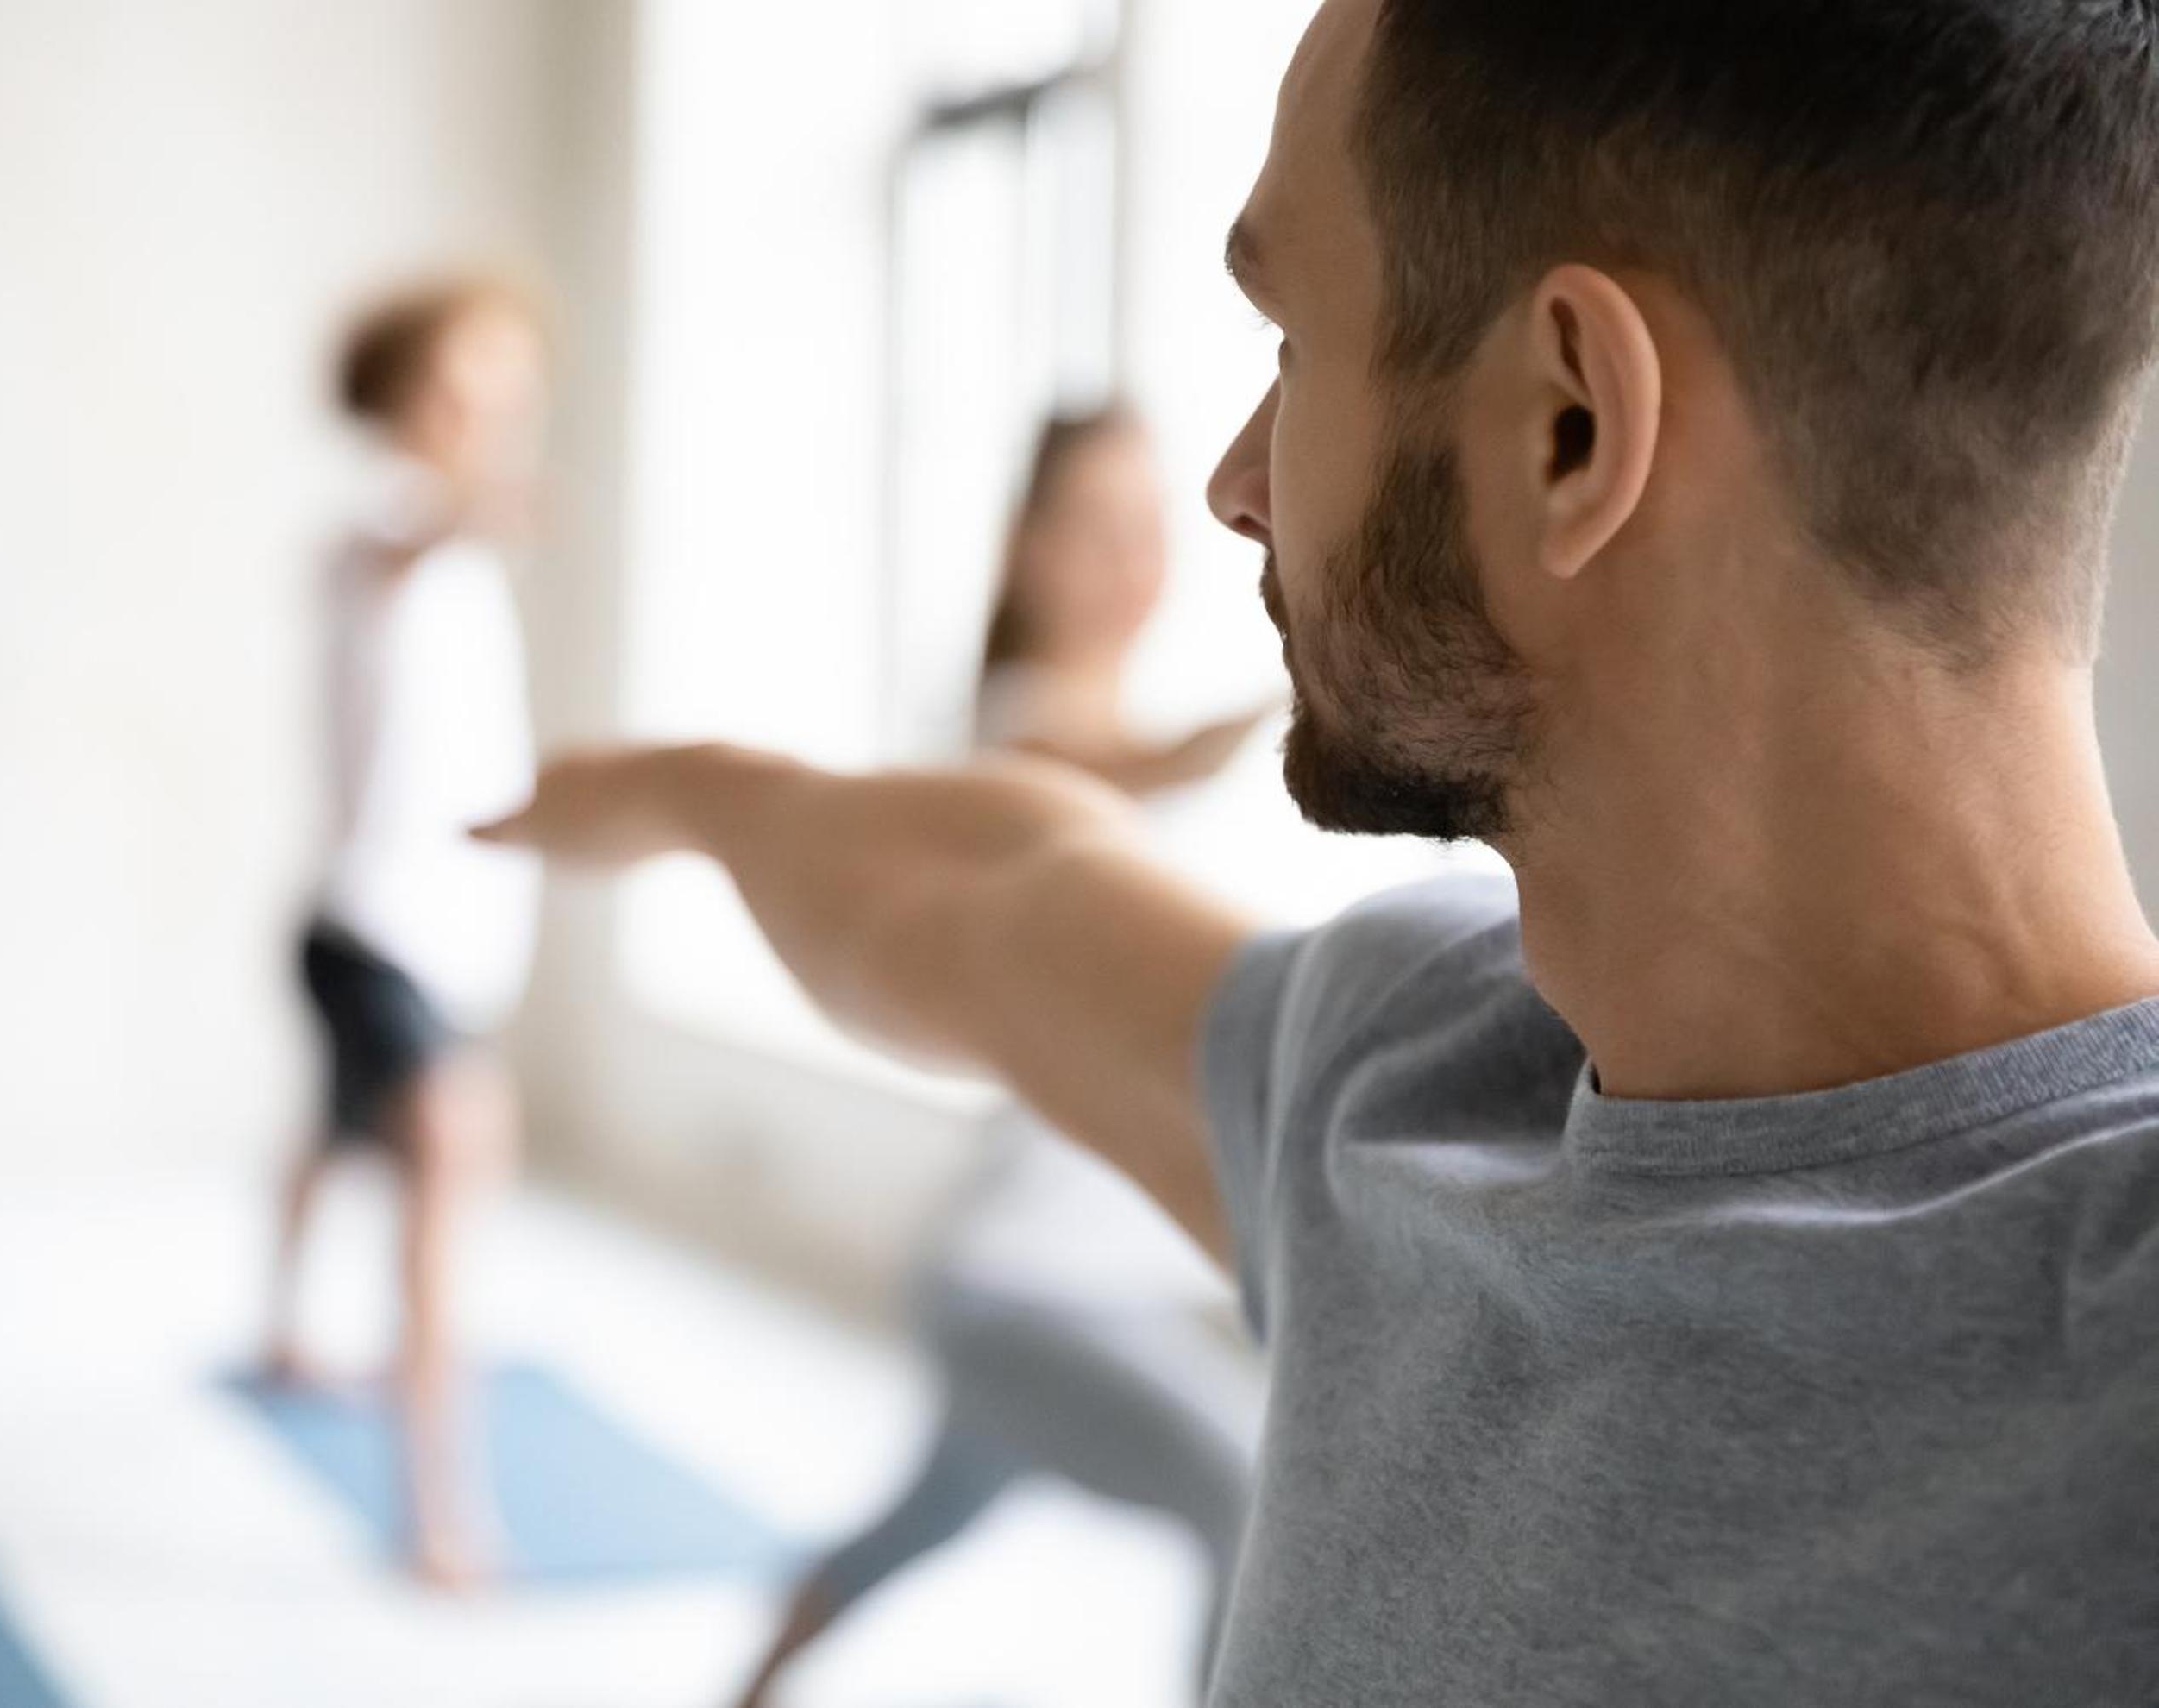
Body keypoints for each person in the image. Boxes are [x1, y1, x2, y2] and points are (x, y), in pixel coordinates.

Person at [486, 3, 2159, 1701]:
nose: (1237, 484)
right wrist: (696, 798)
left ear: (1570, 426)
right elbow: (973, 891)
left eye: (1288, 341)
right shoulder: (1403, 1079)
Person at [731, 407, 1260, 1708]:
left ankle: (745, 1687)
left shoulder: (1098, 726)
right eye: (1096, 528)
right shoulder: (1021, 729)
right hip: (1027, 1285)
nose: (1133, 561)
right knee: (1248, 1501)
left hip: (1079, 1275)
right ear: (1026, 547)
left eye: (1147, 526)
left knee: (925, 1519)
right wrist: (1350, 648)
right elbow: (1141, 762)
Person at [262, 275, 546, 1592]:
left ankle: (279, 1320)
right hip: (371, 930)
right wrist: (472, 503)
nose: (491, 403)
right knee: (449, 1162)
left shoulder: (462, 561)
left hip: (449, 934)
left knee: (332, 1130)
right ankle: (441, 1510)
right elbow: (407, 546)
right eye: (467, 376)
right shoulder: (376, 529)